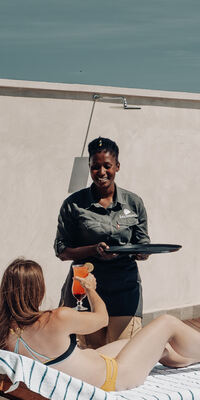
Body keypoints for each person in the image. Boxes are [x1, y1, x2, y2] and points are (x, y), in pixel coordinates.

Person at [0, 258, 200, 392]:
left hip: (93, 366)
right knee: (167, 323)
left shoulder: (4, 336)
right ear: (38, 289)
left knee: (158, 347)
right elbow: (102, 319)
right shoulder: (56, 318)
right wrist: (91, 290)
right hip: (114, 376)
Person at [55, 136, 149, 348]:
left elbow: (143, 243)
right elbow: (62, 250)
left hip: (125, 291)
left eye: (107, 166)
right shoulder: (73, 205)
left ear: (117, 166)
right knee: (92, 355)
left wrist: (142, 252)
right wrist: (93, 250)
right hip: (86, 291)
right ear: (89, 167)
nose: (101, 172)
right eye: (95, 167)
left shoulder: (133, 203)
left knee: (123, 354)